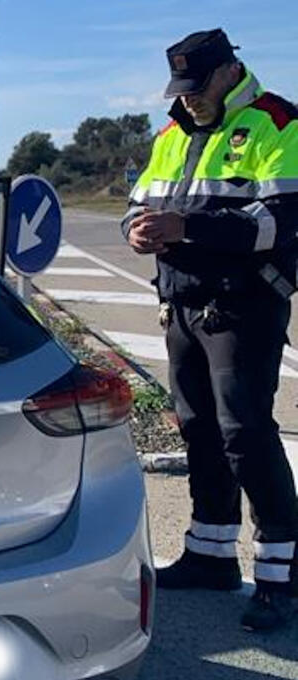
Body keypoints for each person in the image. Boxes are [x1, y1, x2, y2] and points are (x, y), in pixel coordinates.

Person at [124, 29, 298, 632]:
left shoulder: (278, 123)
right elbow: (138, 201)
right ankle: (210, 553)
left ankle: (282, 576)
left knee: (244, 433)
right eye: (181, 88)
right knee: (198, 429)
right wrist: (134, 230)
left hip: (242, 306)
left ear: (229, 72)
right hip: (181, 303)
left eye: (198, 86)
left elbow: (281, 223)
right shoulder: (171, 135)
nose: (189, 98)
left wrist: (186, 228)